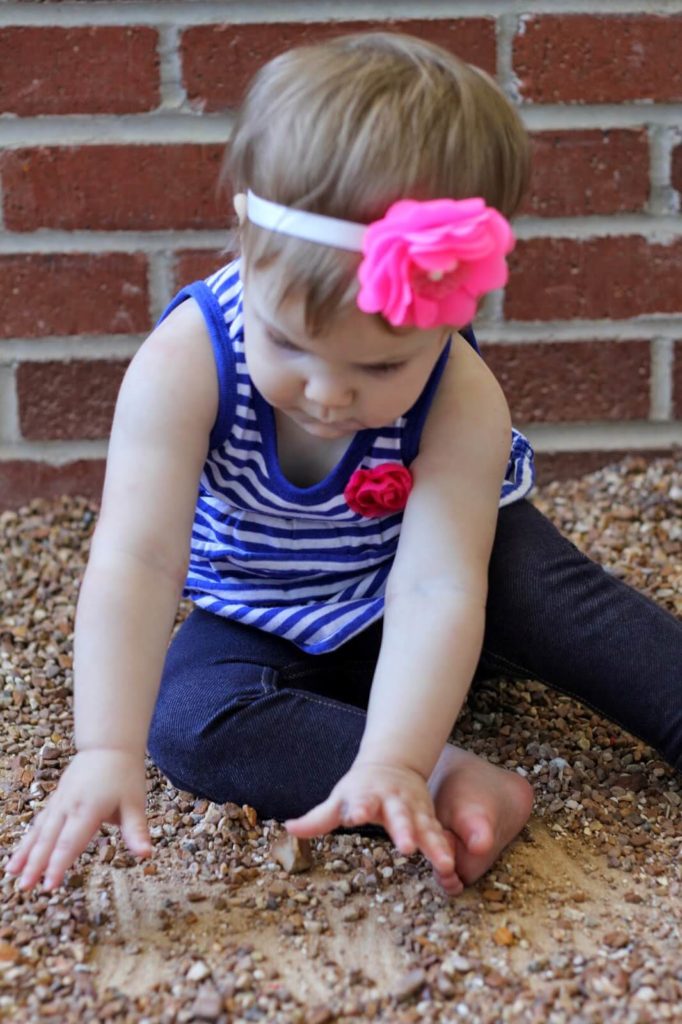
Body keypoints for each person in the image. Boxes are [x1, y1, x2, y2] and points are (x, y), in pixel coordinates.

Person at [6, 33, 681, 898]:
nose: (327, 396)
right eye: (289, 345)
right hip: (267, 601)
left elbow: (439, 587)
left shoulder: (460, 395)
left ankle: (426, 745)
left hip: (448, 584)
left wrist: (391, 742)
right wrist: (105, 748)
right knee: (188, 722)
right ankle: (446, 779)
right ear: (244, 243)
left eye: (378, 370)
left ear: (449, 317)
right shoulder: (184, 365)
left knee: (555, 597)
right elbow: (138, 561)